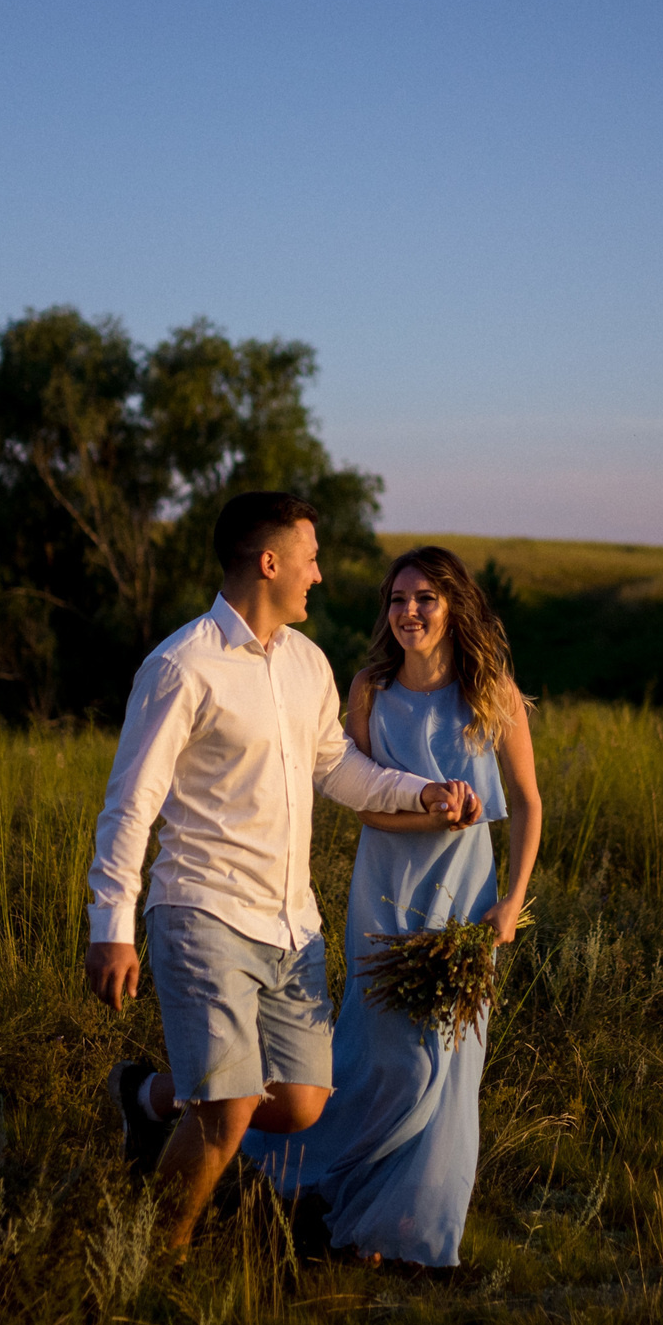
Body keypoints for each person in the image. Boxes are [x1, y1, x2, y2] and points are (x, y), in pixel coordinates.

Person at [84, 492, 483, 1255]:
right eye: (309, 557)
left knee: (300, 1103)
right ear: (269, 563)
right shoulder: (180, 666)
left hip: (289, 922)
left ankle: (145, 1097)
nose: (320, 574)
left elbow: (338, 767)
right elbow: (129, 806)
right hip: (200, 908)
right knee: (229, 1107)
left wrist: (421, 793)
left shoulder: (307, 664)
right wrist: (112, 928)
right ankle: (150, 1262)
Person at [241, 544, 542, 1270]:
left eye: (425, 599)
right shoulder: (370, 689)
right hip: (387, 894)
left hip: (465, 904)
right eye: (397, 600)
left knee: (449, 1060)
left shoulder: (491, 691)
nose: (408, 612)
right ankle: (285, 1171)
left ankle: (406, 1233)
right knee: (384, 1058)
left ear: (453, 606)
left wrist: (511, 902)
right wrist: (433, 814)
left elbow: (529, 804)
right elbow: (370, 809)